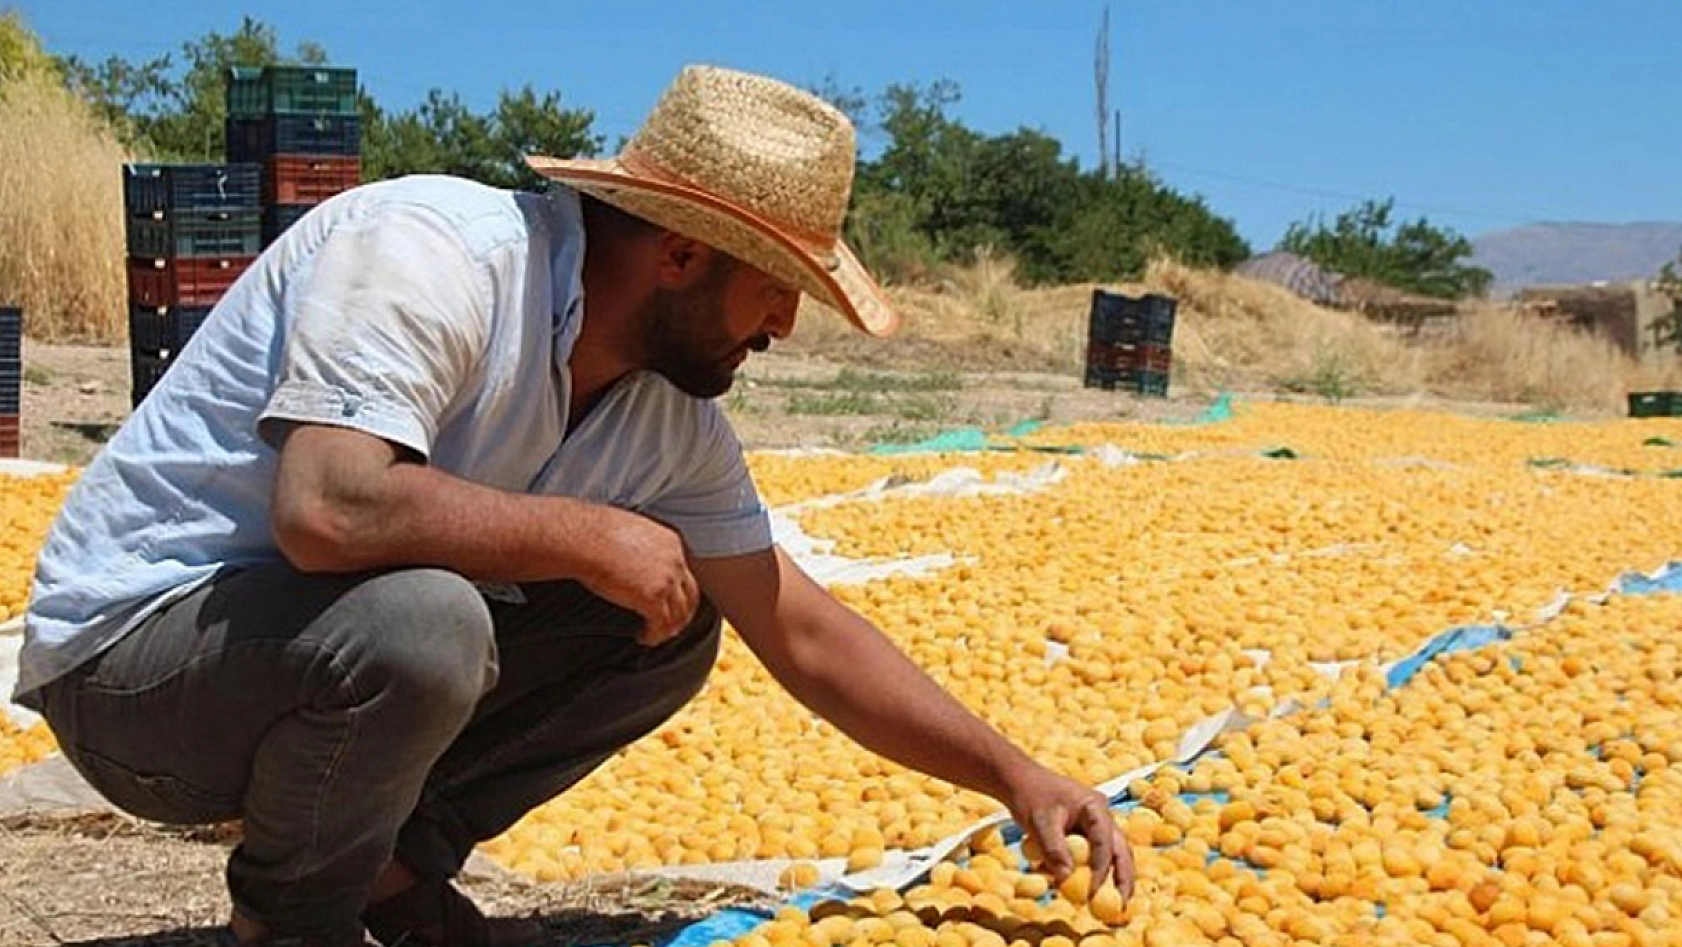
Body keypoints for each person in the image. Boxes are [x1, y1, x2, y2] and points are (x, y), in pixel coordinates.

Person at [15, 65, 1135, 947]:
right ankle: (292, 919)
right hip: (137, 668)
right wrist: (586, 531)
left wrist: (1013, 773)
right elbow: (327, 506)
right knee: (432, 621)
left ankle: (395, 861)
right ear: (684, 251)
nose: (783, 328)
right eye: (777, 289)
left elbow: (797, 627)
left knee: (676, 612)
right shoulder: (433, 255)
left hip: (299, 655)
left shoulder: (664, 414)